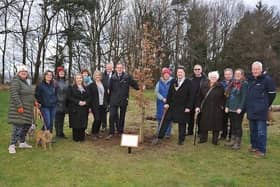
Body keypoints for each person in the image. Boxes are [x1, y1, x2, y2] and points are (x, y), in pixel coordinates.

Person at [154, 66, 193, 145]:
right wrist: (167, 103)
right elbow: (169, 94)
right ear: (176, 73)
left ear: (184, 73)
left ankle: (181, 140)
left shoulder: (188, 82)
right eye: (178, 72)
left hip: (183, 107)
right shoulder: (173, 81)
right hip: (172, 106)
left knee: (182, 123)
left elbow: (191, 96)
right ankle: (159, 136)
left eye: (181, 72)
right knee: (166, 120)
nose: (179, 74)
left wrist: (189, 107)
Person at [246, 61, 276, 157]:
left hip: (261, 111)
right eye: (253, 69)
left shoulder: (267, 80)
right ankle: (254, 146)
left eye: (257, 69)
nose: (255, 71)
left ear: (261, 69)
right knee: (253, 130)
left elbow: (272, 94)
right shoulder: (250, 80)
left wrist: (265, 104)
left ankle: (261, 150)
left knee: (261, 132)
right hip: (251, 110)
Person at [106, 63, 139, 140]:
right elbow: (109, 89)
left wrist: (139, 88)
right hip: (114, 100)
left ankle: (120, 131)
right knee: (112, 116)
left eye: (121, 68)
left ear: (123, 68)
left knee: (122, 117)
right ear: (116, 69)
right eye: (118, 68)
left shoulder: (127, 77)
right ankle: (111, 132)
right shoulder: (113, 78)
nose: (119, 69)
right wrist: (108, 100)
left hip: (123, 100)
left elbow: (134, 84)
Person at [8, 64, 35, 154]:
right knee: (18, 127)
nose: (24, 73)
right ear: (18, 73)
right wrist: (19, 106)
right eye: (22, 71)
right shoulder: (16, 81)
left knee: (26, 126)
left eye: (25, 72)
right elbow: (14, 94)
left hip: (27, 109)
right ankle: (12, 145)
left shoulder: (26, 82)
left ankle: (22, 142)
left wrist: (35, 101)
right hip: (20, 108)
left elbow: (30, 94)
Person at [195, 71, 226, 145]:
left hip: (217, 108)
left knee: (216, 124)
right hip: (206, 107)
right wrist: (197, 106)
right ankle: (203, 138)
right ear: (209, 78)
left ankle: (215, 140)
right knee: (204, 123)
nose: (213, 78)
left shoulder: (220, 86)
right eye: (211, 77)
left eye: (214, 77)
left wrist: (222, 106)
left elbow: (224, 98)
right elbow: (199, 97)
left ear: (217, 78)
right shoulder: (204, 85)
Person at [224, 69, 248, 150]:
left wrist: (240, 108)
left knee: (237, 126)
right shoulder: (232, 83)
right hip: (231, 108)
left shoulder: (244, 84)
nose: (237, 75)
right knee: (232, 125)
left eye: (239, 74)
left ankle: (238, 143)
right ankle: (232, 141)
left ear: (242, 75)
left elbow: (244, 97)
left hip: (238, 109)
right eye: (236, 73)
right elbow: (228, 96)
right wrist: (227, 106)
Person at [67, 74, 91, 142]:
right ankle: (76, 138)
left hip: (84, 108)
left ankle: (82, 137)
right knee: (76, 123)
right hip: (75, 108)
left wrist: (86, 102)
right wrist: (78, 102)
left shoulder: (86, 87)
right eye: (77, 78)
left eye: (80, 78)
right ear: (75, 79)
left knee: (83, 123)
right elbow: (69, 97)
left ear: (82, 79)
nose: (79, 79)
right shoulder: (71, 87)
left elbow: (89, 97)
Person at [88, 70, 108, 140]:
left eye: (99, 75)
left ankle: (97, 132)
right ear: (94, 76)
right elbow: (89, 97)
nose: (98, 76)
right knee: (97, 119)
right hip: (95, 105)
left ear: (101, 76)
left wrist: (107, 104)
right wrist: (89, 107)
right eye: (96, 75)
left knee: (100, 120)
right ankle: (93, 133)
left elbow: (106, 95)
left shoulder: (104, 85)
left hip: (102, 105)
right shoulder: (91, 85)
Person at [188, 64, 207, 136]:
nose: (197, 71)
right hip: (192, 100)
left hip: (201, 101)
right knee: (190, 117)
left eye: (198, 69)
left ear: (201, 70)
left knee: (200, 117)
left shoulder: (205, 79)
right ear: (193, 70)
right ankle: (190, 131)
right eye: (195, 69)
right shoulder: (190, 79)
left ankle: (200, 132)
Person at [155, 67, 174, 138]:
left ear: (169, 74)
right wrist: (162, 98)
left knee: (168, 118)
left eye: (167, 74)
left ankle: (167, 133)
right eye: (165, 74)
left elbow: (174, 92)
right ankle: (159, 132)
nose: (166, 75)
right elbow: (156, 92)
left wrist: (169, 100)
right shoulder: (159, 82)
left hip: (169, 103)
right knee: (160, 117)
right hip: (160, 103)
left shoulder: (173, 82)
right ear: (163, 75)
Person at [54, 66, 69, 138]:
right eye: (60, 72)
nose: (62, 73)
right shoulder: (55, 81)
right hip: (57, 102)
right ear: (58, 73)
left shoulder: (66, 81)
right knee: (57, 119)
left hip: (64, 103)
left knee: (62, 119)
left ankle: (61, 132)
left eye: (63, 72)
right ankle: (58, 133)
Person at [220, 68, 233, 140]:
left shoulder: (235, 83)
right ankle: (223, 135)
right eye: (226, 74)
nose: (228, 76)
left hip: (232, 105)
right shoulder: (221, 84)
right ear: (224, 75)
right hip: (224, 104)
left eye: (229, 74)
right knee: (223, 120)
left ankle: (231, 136)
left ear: (232, 74)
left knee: (232, 121)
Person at [101, 63, 114, 131]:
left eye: (110, 67)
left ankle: (113, 126)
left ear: (112, 68)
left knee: (113, 113)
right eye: (107, 67)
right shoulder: (103, 75)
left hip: (113, 96)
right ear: (106, 68)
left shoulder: (115, 74)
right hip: (104, 96)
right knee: (104, 112)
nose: (109, 68)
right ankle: (104, 126)